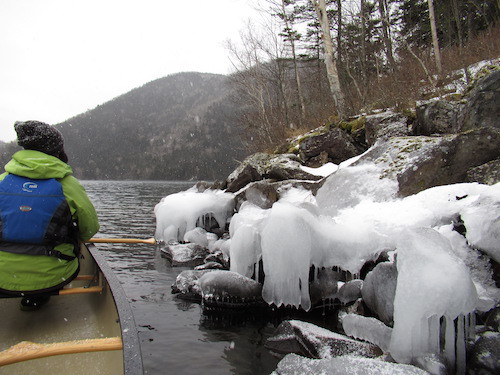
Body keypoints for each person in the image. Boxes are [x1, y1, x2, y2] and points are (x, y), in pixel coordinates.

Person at [0, 120, 99, 310]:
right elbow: (89, 230)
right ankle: (36, 296)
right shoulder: (68, 185)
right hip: (52, 277)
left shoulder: (2, 181)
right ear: (56, 150)